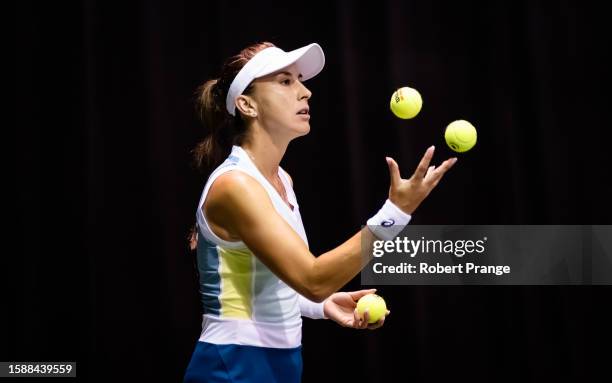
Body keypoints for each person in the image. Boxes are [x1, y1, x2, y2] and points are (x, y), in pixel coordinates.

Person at [183, 41, 457, 383]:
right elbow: (313, 279)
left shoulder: (282, 179)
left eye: (300, 80)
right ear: (247, 104)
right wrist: (396, 213)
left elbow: (280, 283)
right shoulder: (235, 186)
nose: (305, 92)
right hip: (232, 365)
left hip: (280, 364)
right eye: (286, 81)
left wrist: (321, 306)